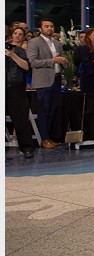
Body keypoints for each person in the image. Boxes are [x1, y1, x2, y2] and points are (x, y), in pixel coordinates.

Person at [27, 18, 68, 149]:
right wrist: (53, 60)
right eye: (46, 26)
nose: (49, 28)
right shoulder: (34, 42)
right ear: (40, 29)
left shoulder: (57, 43)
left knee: (52, 109)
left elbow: (62, 58)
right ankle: (43, 138)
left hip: (56, 79)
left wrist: (64, 61)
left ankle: (48, 137)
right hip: (43, 80)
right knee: (43, 110)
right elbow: (32, 62)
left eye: (51, 26)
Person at [6, 26, 36, 158]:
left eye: (20, 34)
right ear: (11, 35)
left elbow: (26, 66)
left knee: (20, 119)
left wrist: (12, 55)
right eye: (15, 33)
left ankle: (27, 147)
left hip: (16, 87)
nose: (17, 36)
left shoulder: (21, 51)